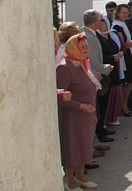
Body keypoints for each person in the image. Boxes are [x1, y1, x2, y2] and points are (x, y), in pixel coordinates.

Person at [56, 34, 100, 190]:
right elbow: (60, 97)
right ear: (73, 48)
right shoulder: (65, 67)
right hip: (73, 116)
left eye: (86, 46)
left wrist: (92, 113)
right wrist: (80, 106)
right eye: (82, 47)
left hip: (86, 114)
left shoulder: (81, 64)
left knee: (84, 146)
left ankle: (81, 177)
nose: (86, 49)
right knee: (72, 147)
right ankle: (71, 181)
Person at [82, 10, 115, 145]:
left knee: (100, 108)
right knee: (98, 108)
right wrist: (106, 69)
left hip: (98, 75)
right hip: (96, 77)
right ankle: (98, 134)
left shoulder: (92, 34)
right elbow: (93, 61)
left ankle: (100, 131)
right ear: (95, 22)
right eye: (101, 20)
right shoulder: (88, 36)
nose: (102, 22)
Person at [110, 4, 132, 115]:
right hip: (123, 56)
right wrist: (130, 44)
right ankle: (123, 106)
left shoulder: (123, 24)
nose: (125, 14)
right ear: (118, 13)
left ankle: (124, 104)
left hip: (128, 54)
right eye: (123, 12)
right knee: (123, 82)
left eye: (127, 12)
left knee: (130, 81)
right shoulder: (116, 26)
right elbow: (126, 42)